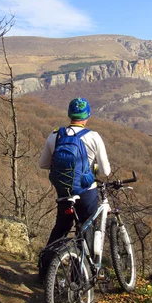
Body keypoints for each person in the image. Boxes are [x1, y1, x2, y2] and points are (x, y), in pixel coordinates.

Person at [39, 97, 111, 249]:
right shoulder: (93, 137)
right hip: (86, 192)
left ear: (69, 114)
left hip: (64, 191)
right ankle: (81, 271)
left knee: (61, 228)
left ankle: (45, 268)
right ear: (87, 115)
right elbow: (105, 171)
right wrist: (93, 169)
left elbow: (43, 164)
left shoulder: (55, 135)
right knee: (86, 230)